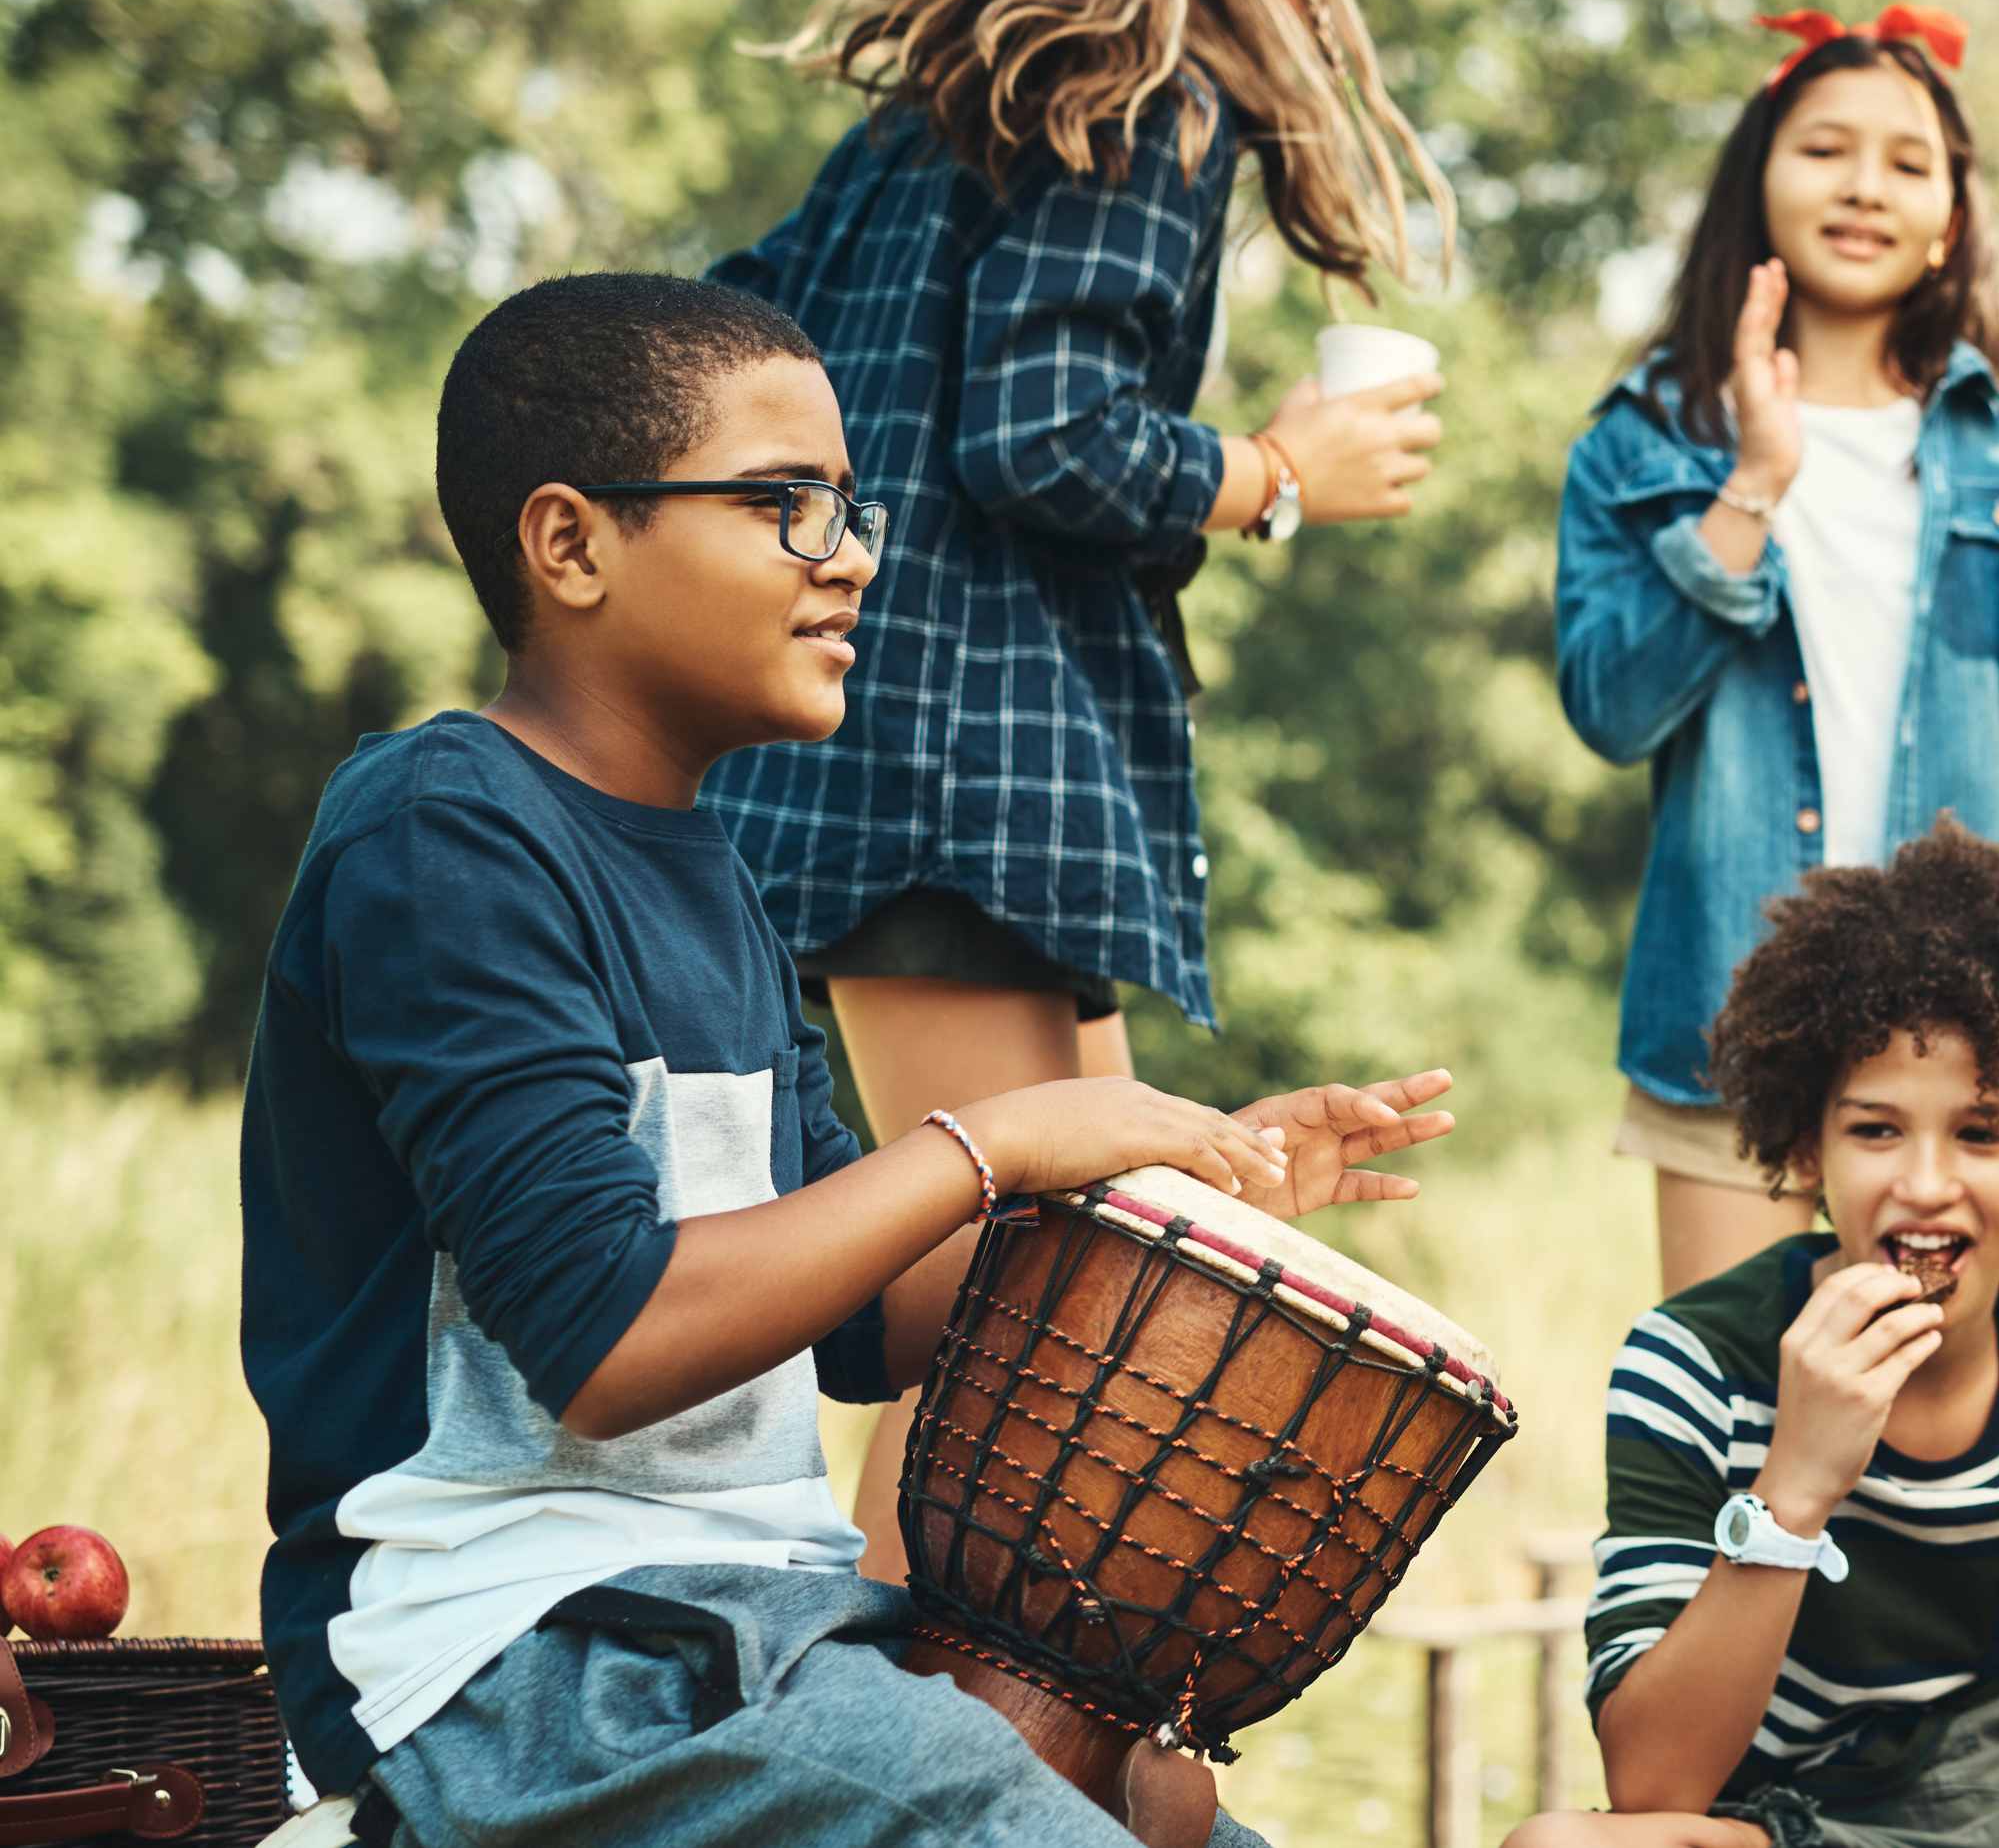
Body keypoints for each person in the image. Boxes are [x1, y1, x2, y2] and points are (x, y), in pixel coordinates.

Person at [236, 273, 1446, 1846]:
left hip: (755, 1626)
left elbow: (859, 1321)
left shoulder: (714, 870)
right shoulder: (445, 831)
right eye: (785, 503)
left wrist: (1167, 1195)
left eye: (851, 504)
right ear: (571, 541)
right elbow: (605, 1341)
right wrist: (991, 1141)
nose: (854, 552)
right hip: (508, 1657)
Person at [703, 0, 1462, 1583]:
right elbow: (1042, 431)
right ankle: (892, 1751)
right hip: (969, 783)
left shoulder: (940, 113)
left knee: (1089, 1281)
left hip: (918, 768)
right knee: (1003, 1326)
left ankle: (985, 1721)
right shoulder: (1143, 94)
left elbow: (730, 325)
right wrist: (1270, 474)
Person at [1554, 4, 1999, 1293]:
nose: (1864, 186)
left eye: (1908, 162)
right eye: (1825, 149)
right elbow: (1611, 708)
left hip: (1969, 1056)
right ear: (1759, 177)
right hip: (1734, 1026)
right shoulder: (1646, 434)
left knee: (1950, 1458)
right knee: (1738, 1426)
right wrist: (1753, 485)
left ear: (1953, 211)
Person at [1503, 819, 1999, 1848]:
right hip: (1807, 1827)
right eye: (1875, 1129)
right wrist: (1794, 1488)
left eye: (1981, 1133)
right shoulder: (1693, 1361)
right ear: (1807, 1150)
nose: (1926, 1186)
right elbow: (1655, 1784)